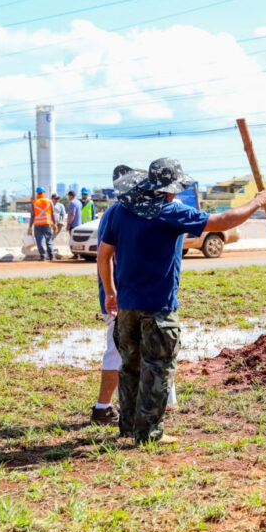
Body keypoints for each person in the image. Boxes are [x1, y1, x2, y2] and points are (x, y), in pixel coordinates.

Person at [98, 158, 266, 444]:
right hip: (159, 308)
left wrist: (109, 291)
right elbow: (223, 221)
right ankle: (149, 434)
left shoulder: (121, 211)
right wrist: (257, 202)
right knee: (157, 368)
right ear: (169, 189)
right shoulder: (170, 212)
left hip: (127, 307)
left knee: (130, 366)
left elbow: (103, 254)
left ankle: (129, 426)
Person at [90, 167, 177, 427]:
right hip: (123, 298)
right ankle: (102, 408)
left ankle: (164, 404)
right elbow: (108, 257)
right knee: (121, 353)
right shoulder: (122, 212)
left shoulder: (120, 211)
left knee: (154, 351)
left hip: (125, 295)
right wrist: (112, 293)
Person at [29, 187, 54, 261]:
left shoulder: (34, 202)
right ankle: (51, 255)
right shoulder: (49, 201)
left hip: (37, 224)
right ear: (44, 193)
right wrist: (54, 223)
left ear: (37, 193)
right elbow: (53, 213)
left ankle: (43, 256)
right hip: (47, 223)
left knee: (39, 241)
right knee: (48, 240)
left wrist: (30, 226)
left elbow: (32, 215)